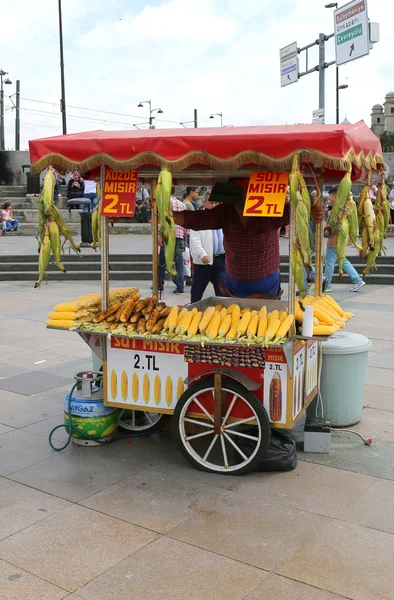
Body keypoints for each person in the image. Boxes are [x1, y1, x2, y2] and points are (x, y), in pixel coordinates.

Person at [174, 179, 324, 299]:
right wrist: (169, 214)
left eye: (247, 192)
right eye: (239, 193)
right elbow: (197, 219)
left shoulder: (269, 210)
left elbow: (297, 211)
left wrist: (313, 211)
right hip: (234, 282)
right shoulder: (225, 211)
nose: (244, 196)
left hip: (266, 283)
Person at [323, 186, 365, 293]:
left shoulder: (338, 210)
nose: (329, 197)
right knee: (343, 261)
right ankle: (357, 280)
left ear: (336, 196)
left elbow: (336, 226)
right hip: (337, 241)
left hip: (335, 241)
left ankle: (326, 285)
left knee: (329, 263)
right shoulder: (338, 208)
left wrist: (328, 232)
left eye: (331, 195)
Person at [190, 191, 226, 302]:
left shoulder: (224, 217)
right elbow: (195, 239)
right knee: (197, 292)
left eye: (216, 203)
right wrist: (202, 254)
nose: (214, 205)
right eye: (211, 202)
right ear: (204, 202)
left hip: (221, 259)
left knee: (223, 293)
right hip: (204, 261)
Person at [170, 187, 188, 294]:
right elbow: (186, 222)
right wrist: (186, 238)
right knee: (179, 261)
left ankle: (160, 284)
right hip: (180, 236)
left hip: (168, 237)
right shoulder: (182, 204)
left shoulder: (165, 204)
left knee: (164, 261)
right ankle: (180, 286)